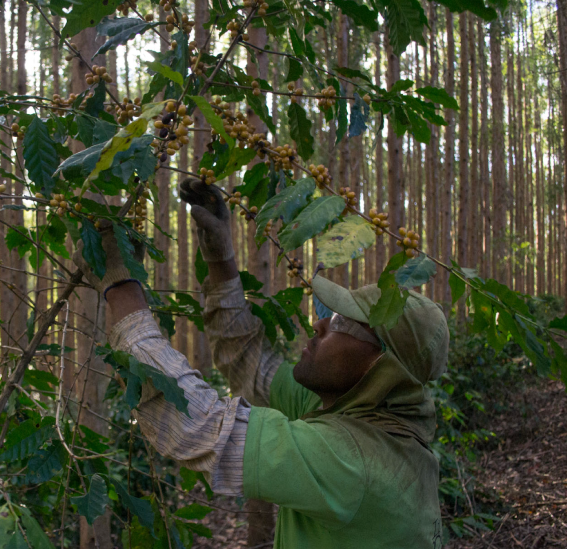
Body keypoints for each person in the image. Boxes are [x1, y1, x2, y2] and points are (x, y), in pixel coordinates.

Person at [73, 178, 449, 548]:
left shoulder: (355, 463)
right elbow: (249, 361)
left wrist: (120, 285)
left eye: (341, 323)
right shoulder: (355, 410)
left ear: (379, 365)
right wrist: (220, 258)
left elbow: (198, 425)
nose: (318, 325)